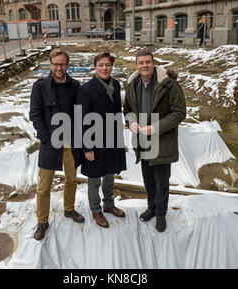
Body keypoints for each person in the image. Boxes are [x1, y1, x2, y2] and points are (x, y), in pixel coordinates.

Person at [123, 50, 186, 232]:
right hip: (142, 140)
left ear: (153, 63)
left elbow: (179, 112)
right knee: (148, 179)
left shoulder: (168, 84)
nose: (144, 66)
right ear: (136, 65)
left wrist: (156, 127)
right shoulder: (132, 84)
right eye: (141, 63)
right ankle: (151, 208)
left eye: (147, 62)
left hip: (162, 140)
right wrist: (131, 121)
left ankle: (160, 214)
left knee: (162, 181)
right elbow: (127, 109)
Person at [29, 48, 84, 241]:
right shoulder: (40, 87)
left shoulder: (76, 86)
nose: (59, 68)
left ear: (67, 65)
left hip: (70, 142)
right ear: (50, 64)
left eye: (62, 64)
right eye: (56, 64)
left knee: (71, 179)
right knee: (44, 187)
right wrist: (45, 137)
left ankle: (69, 209)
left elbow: (80, 114)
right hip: (49, 142)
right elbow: (35, 114)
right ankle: (42, 221)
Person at [77, 52, 127, 228]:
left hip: (112, 139)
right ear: (95, 67)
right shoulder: (86, 89)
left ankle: (109, 204)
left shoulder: (115, 84)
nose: (105, 68)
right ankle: (96, 210)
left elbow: (117, 113)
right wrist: (87, 147)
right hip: (95, 141)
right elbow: (82, 119)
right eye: (101, 65)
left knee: (110, 175)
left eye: (108, 65)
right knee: (94, 178)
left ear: (111, 67)